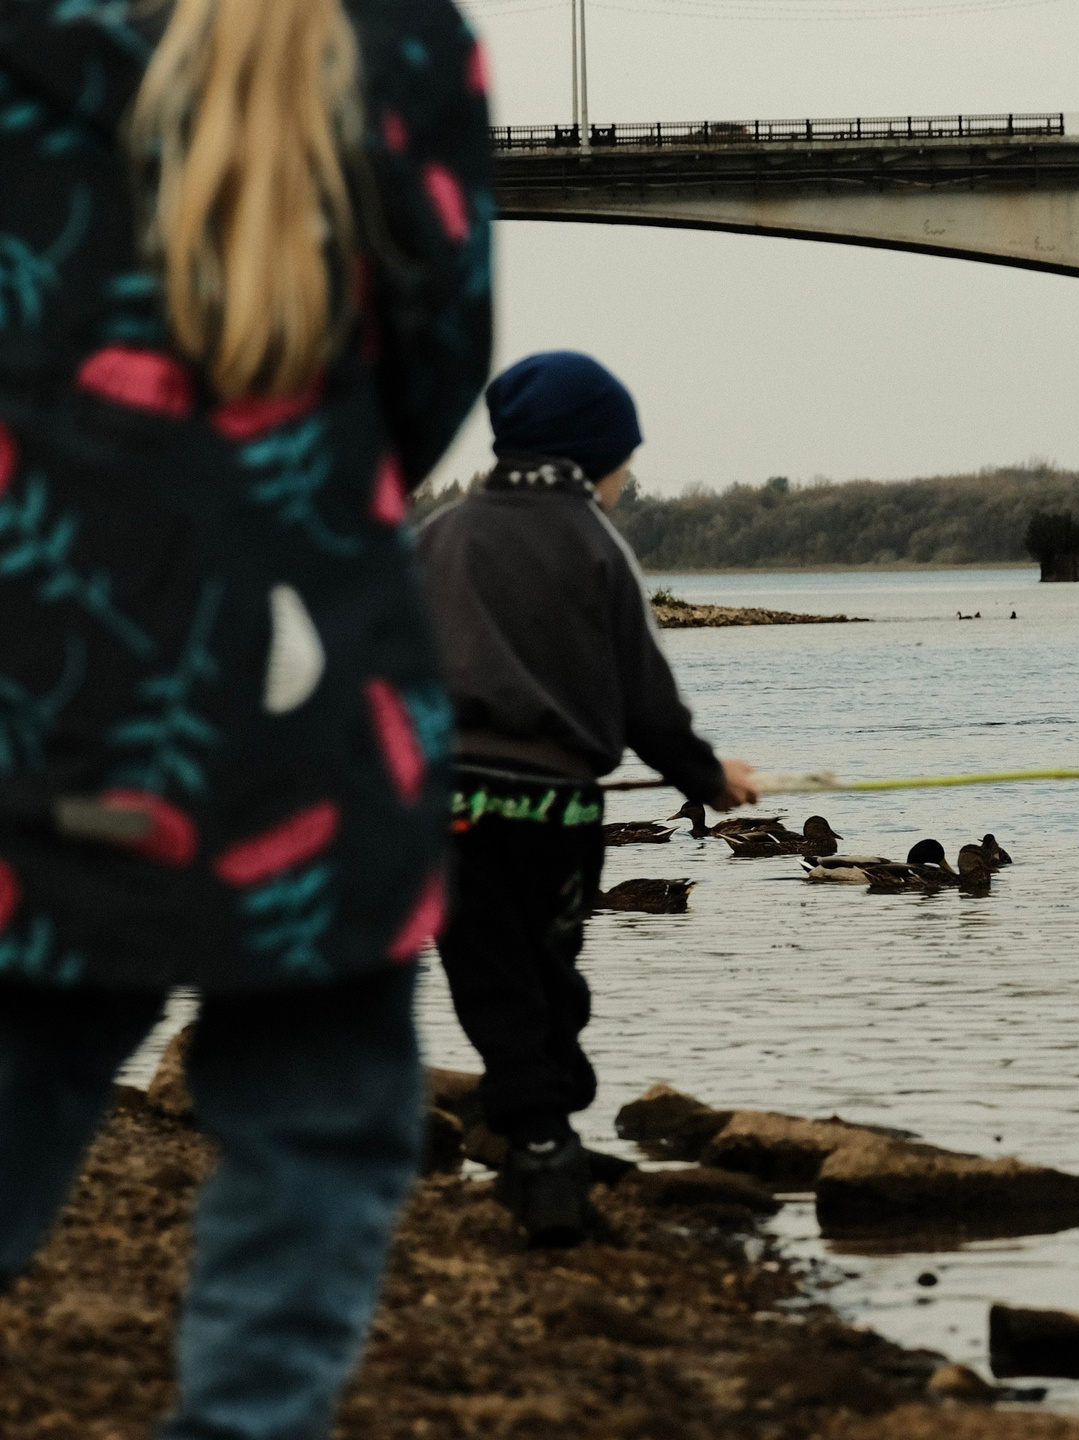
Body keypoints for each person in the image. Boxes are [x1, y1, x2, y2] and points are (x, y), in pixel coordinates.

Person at [0, 0, 490, 1433]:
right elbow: (432, 360)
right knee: (313, 1142)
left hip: (40, 679)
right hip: (305, 698)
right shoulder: (397, 40)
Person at [415, 352, 757, 1246]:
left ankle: (537, 1139)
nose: (626, 479)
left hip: (452, 810)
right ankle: (547, 1134)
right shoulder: (596, 543)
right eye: (624, 461)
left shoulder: (440, 537)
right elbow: (645, 698)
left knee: (490, 977)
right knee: (549, 973)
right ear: (591, 458)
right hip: (562, 815)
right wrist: (705, 776)